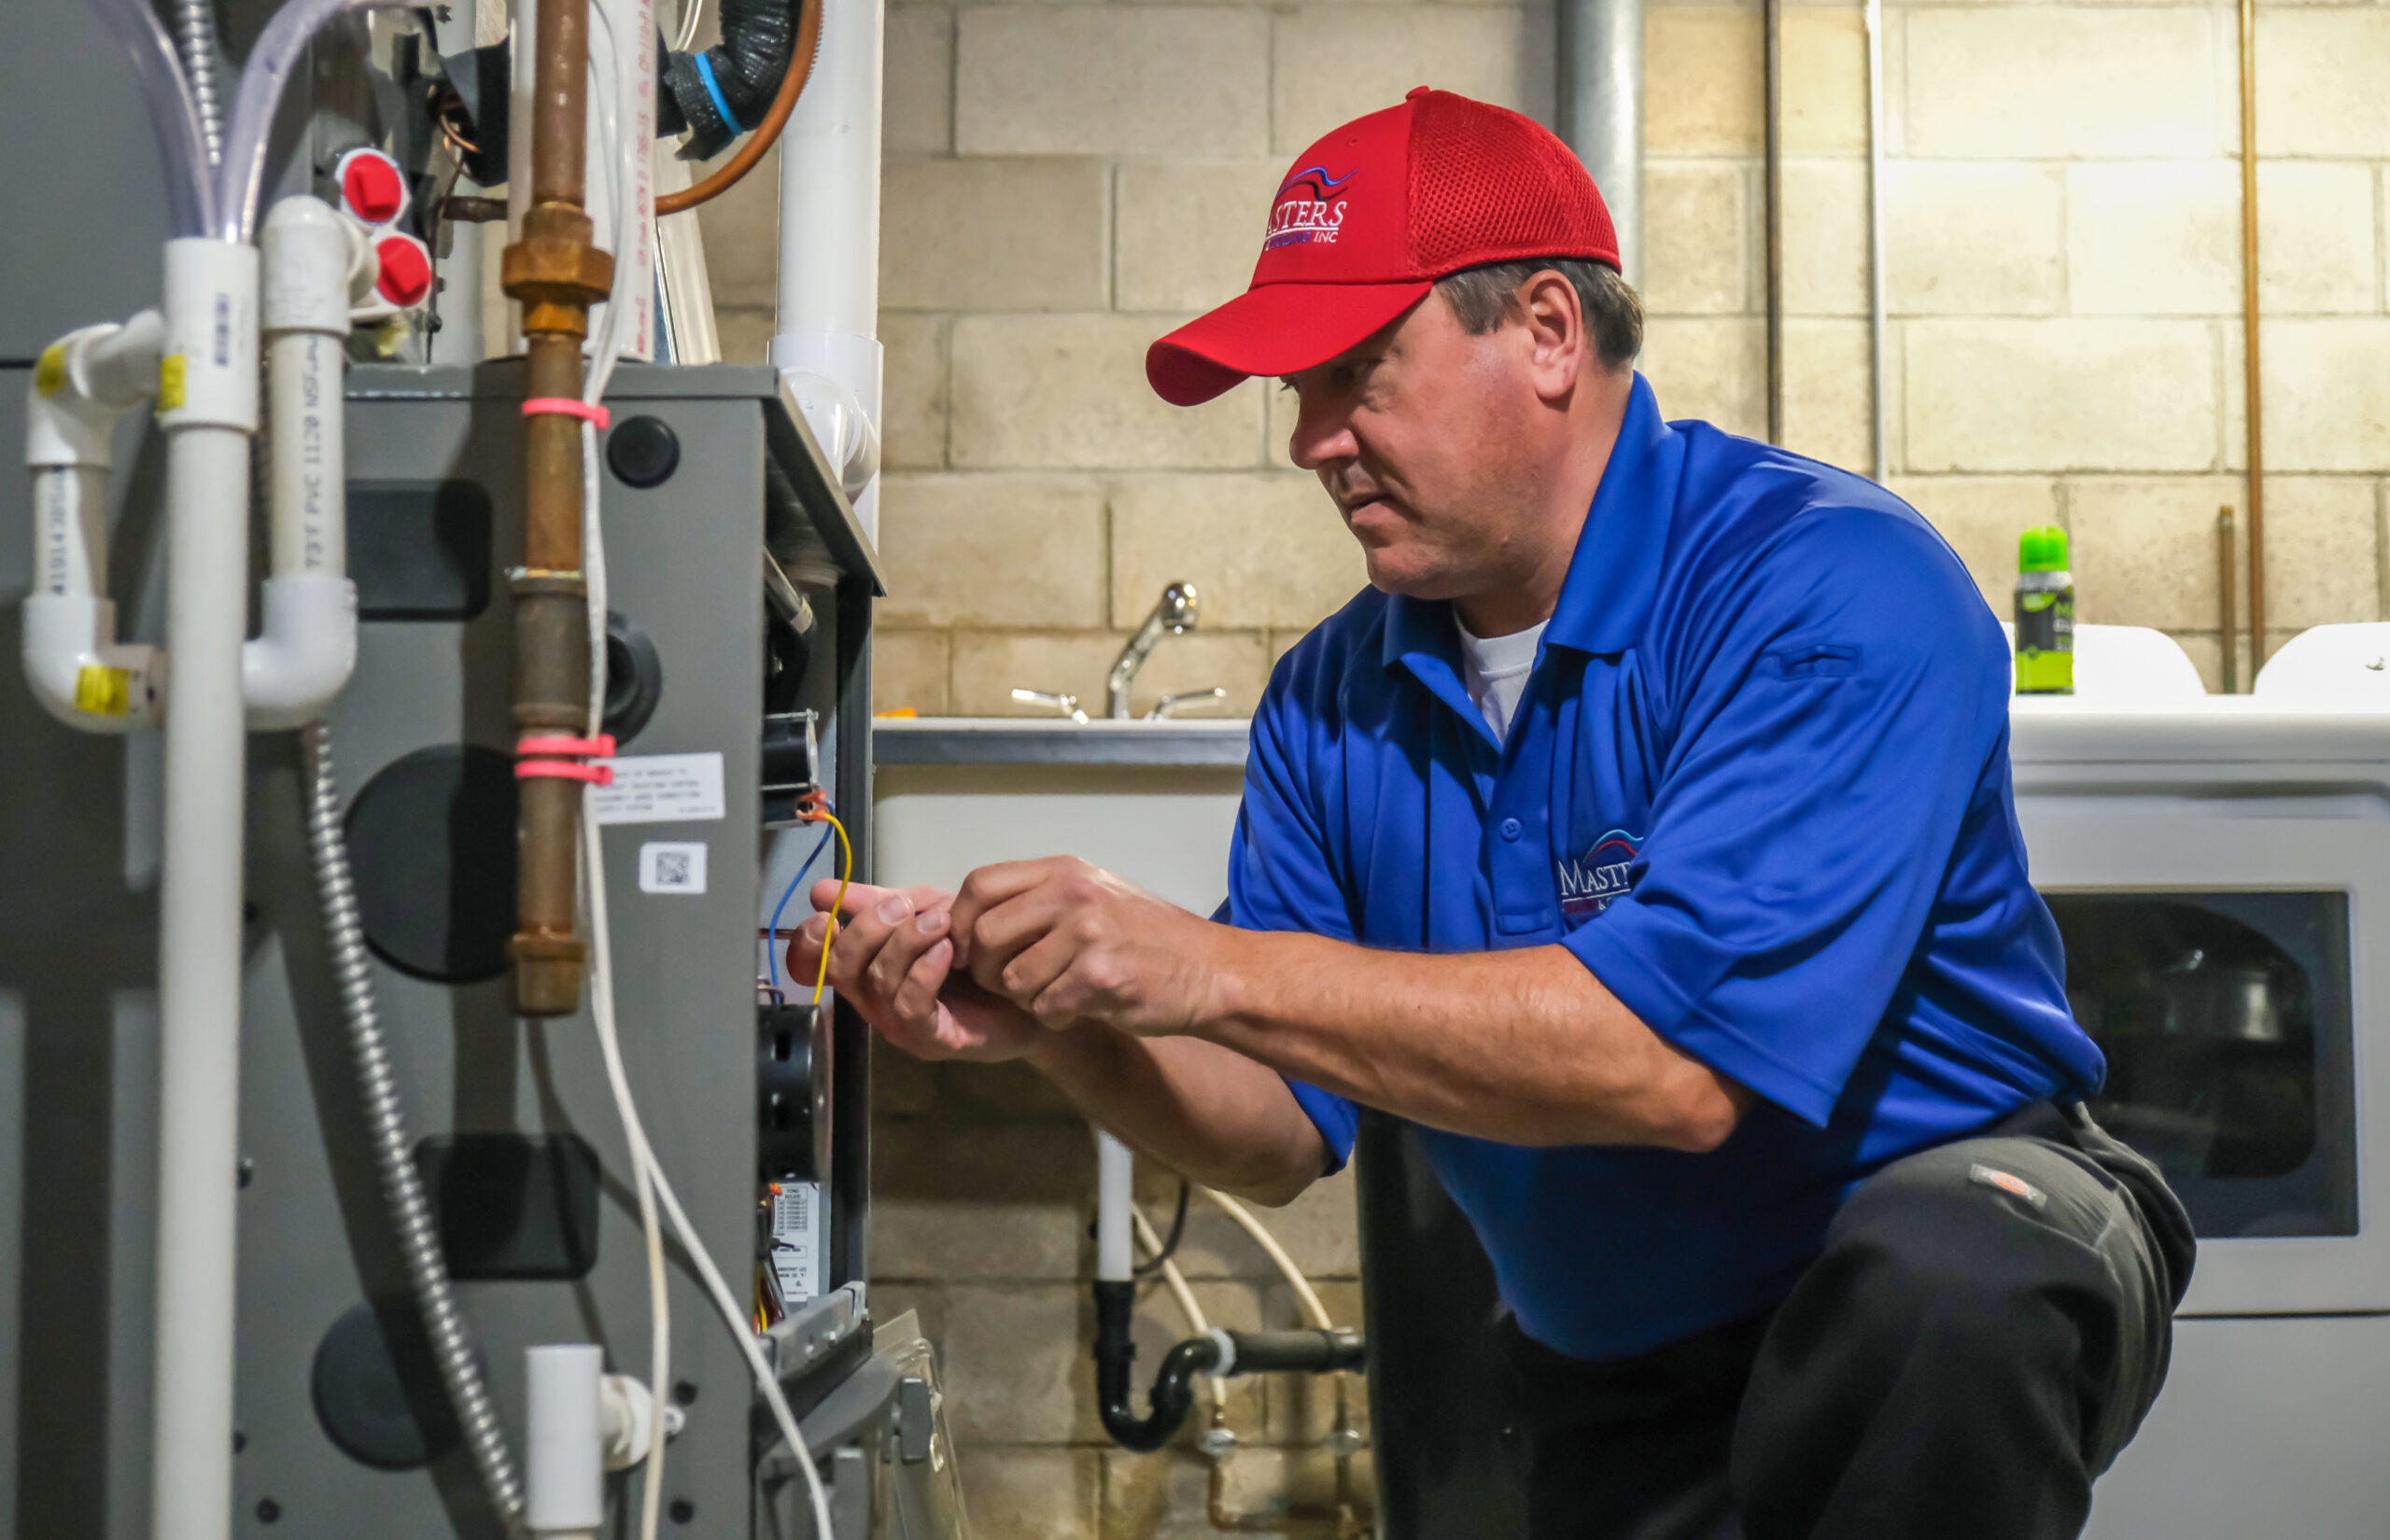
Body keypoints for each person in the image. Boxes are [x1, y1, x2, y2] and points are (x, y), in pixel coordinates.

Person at [792, 88, 2195, 1540]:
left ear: (1544, 332)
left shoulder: (1827, 591)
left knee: (1942, 1289)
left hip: (1947, 1255)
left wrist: (1188, 961)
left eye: (1354, 374)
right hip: (1623, 1355)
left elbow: (1673, 1070)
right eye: (1298, 395)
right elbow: (1277, 1125)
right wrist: (1070, 1019)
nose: (1310, 442)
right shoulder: (1334, 695)